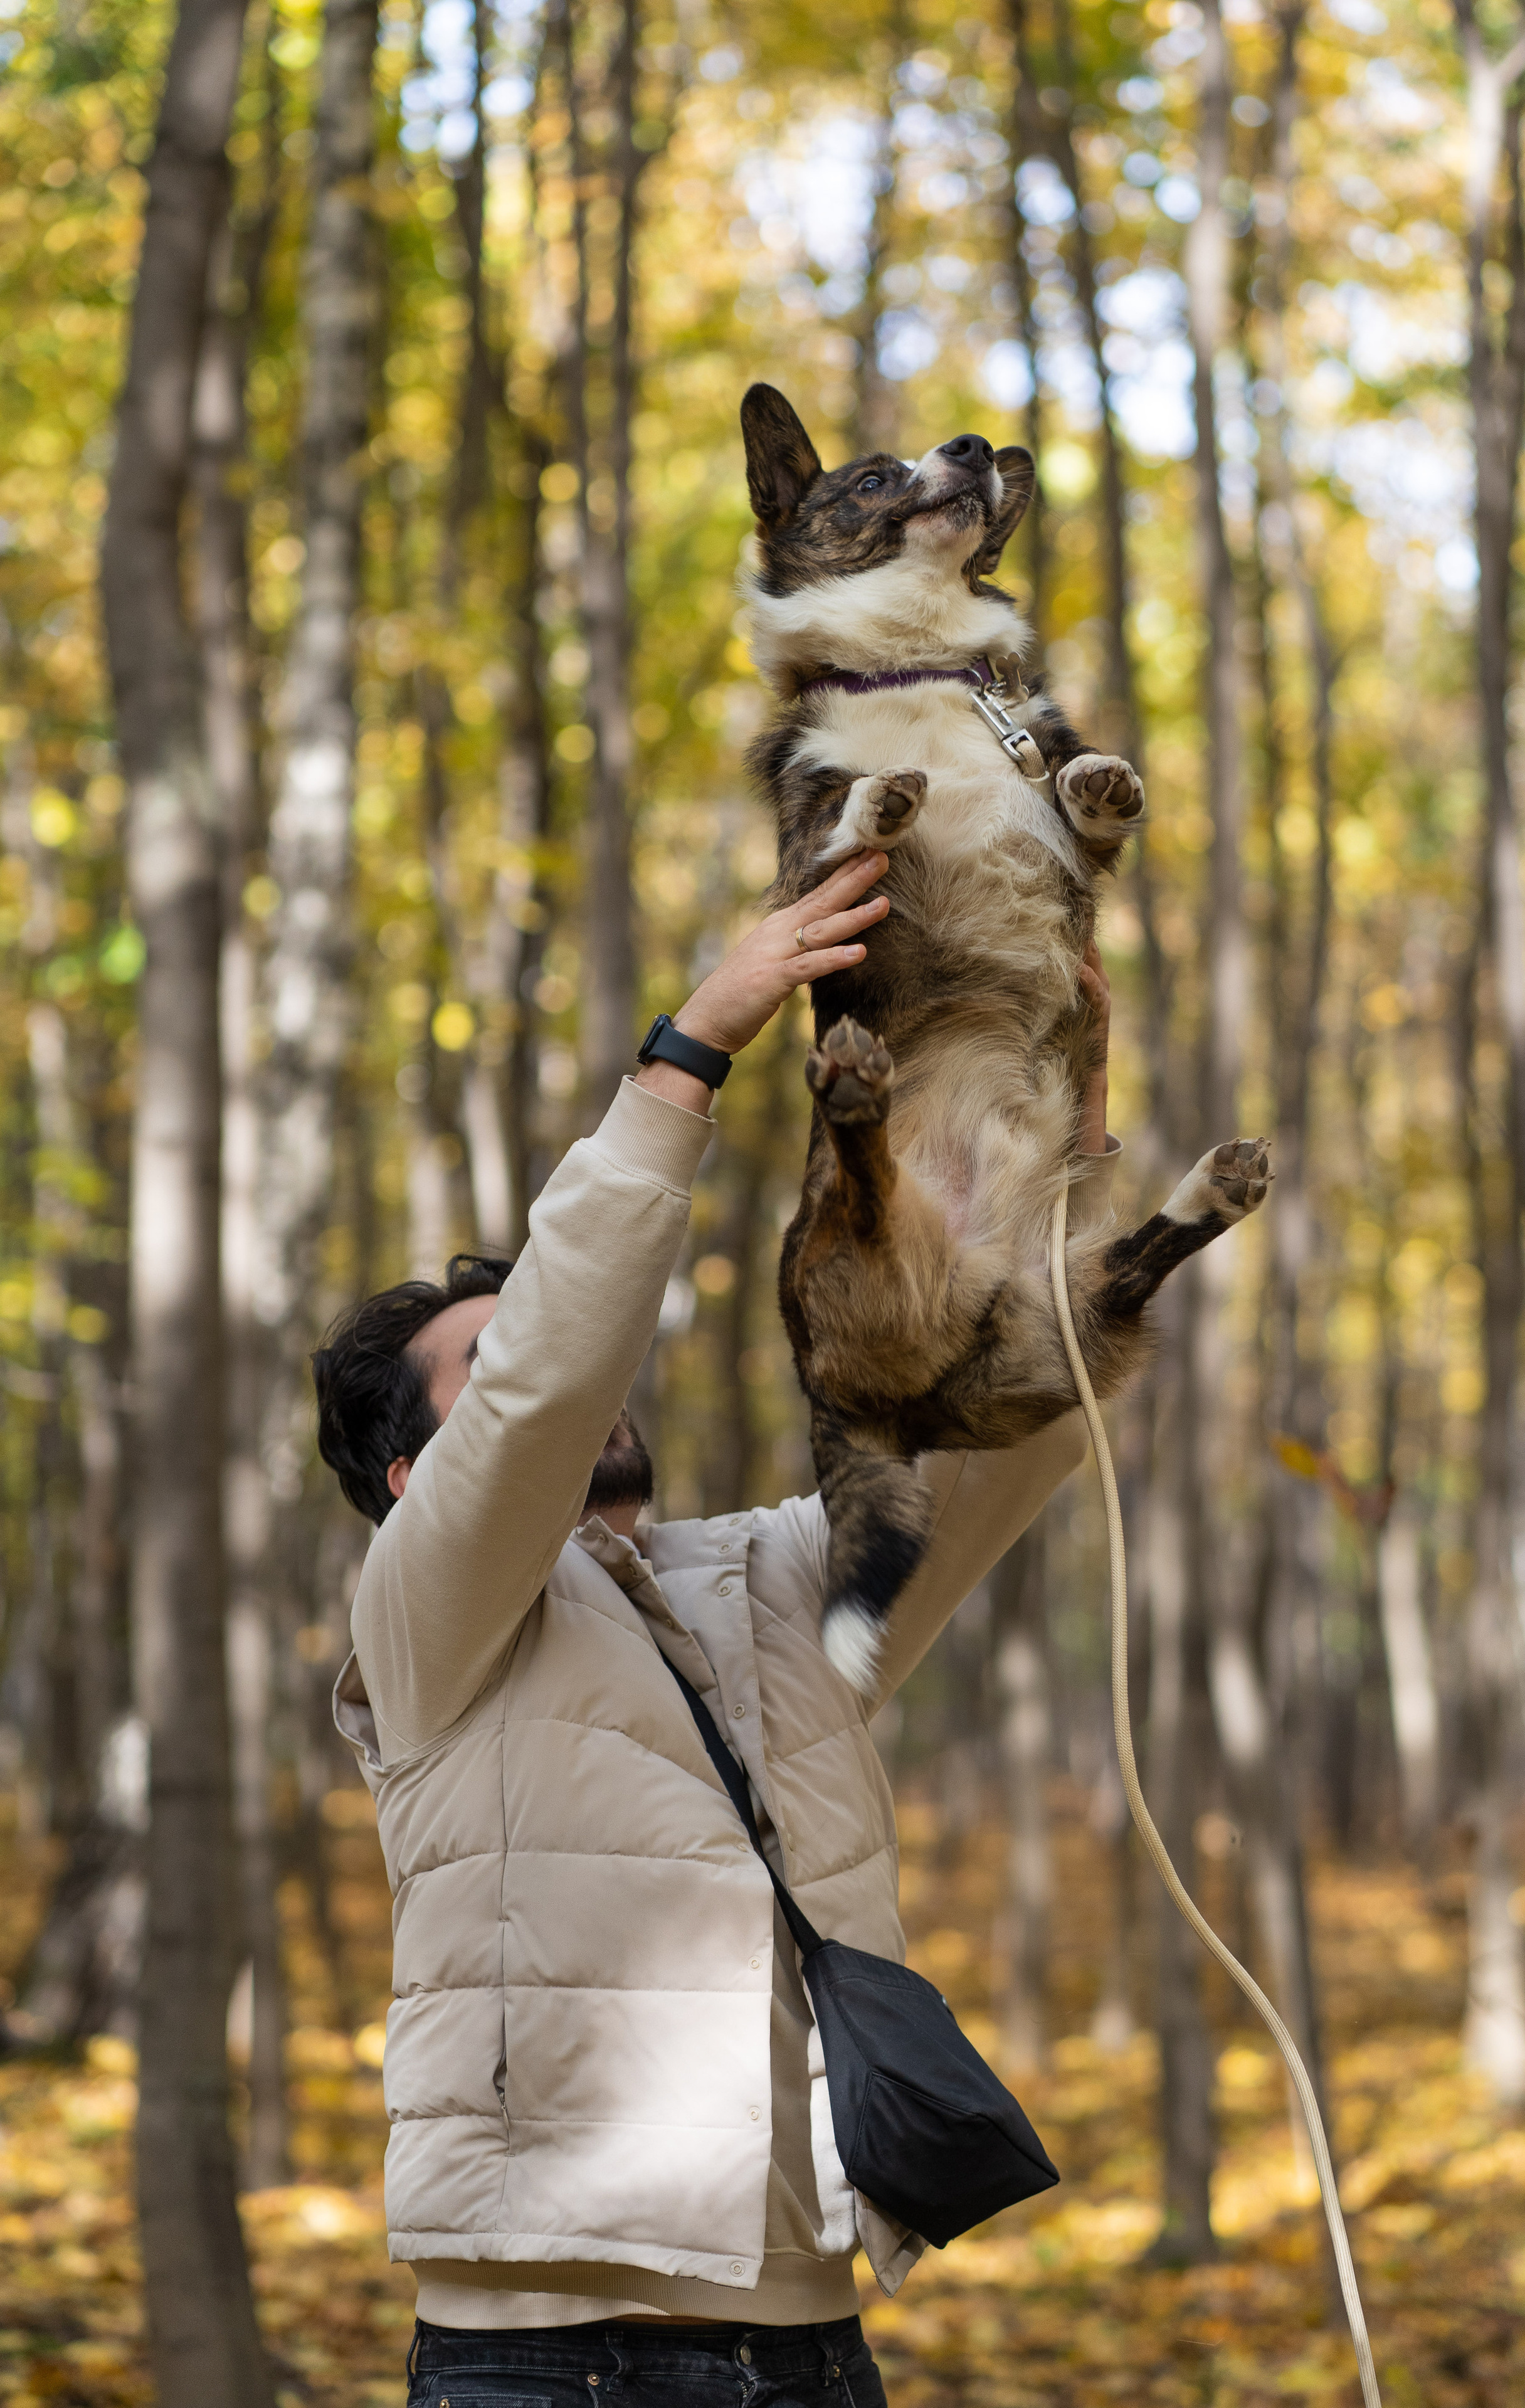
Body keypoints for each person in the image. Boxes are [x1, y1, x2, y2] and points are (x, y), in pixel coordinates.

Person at [315, 847, 1121, 2408]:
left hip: (807, 2340)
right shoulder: (421, 1615)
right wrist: (692, 1051)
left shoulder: (763, 1581)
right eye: (483, 1366)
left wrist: (1060, 1133)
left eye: (540, 1346)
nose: (568, 1382)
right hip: (534, 2360)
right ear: (413, 1473)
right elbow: (553, 1371)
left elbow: (1010, 1430)